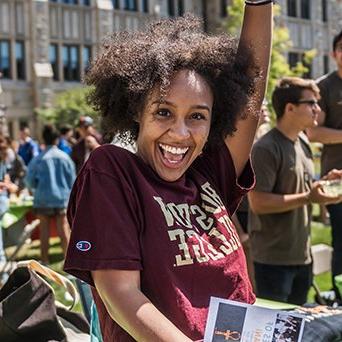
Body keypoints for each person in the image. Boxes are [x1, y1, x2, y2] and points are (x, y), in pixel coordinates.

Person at [64, 2, 273, 341]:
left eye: (197, 116)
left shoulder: (210, 173)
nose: (180, 133)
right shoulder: (112, 171)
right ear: (137, 111)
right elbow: (121, 296)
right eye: (163, 112)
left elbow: (250, 85)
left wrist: (259, 4)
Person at [248, 77, 342, 305]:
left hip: (302, 257)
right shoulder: (266, 148)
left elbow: (299, 188)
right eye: (311, 103)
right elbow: (258, 202)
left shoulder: (302, 142)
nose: (318, 110)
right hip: (273, 262)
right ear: (290, 108)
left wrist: (325, 184)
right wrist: (309, 197)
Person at [306, 29, 342, 301]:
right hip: (337, 179)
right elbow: (314, 132)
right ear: (334, 53)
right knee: (341, 240)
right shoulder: (325, 87)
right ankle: (339, 297)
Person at [25, 125, 76, 264]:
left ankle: (45, 260)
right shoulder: (65, 157)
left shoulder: (37, 159)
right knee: (64, 230)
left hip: (42, 199)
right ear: (56, 139)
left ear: (43, 139)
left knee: (44, 231)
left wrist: (36, 187)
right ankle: (70, 261)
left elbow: (29, 181)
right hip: (61, 199)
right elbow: (73, 180)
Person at [0, 135, 19, 276]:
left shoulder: (3, 160)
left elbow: (5, 176)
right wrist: (7, 184)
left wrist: (7, 183)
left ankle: (5, 277)